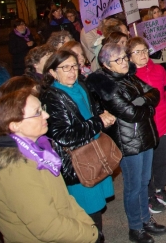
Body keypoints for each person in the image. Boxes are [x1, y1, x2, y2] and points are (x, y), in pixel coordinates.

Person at [0, 77, 100, 243]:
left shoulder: (38, 151)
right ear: (14, 125)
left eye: (43, 108)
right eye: (37, 113)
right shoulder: (15, 170)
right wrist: (90, 235)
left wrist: (88, 227)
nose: (46, 115)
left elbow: (64, 200)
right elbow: (48, 227)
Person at [86, 43, 165, 243]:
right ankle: (135, 227)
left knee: (145, 180)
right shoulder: (107, 85)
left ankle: (146, 220)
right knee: (133, 186)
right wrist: (145, 105)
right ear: (106, 64)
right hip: (128, 142)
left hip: (144, 136)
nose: (124, 62)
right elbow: (130, 113)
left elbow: (154, 93)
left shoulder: (128, 76)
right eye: (118, 60)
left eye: (124, 57)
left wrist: (142, 101)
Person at [41, 50, 116, 242]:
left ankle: (97, 236)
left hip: (94, 151)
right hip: (78, 161)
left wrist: (103, 114)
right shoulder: (53, 96)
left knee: (96, 209)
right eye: (65, 68)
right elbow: (64, 135)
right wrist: (99, 122)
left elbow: (91, 111)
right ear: (52, 73)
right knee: (87, 211)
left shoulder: (80, 86)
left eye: (74, 66)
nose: (71, 71)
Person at [127, 37, 166, 215]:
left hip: (161, 124)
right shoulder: (128, 77)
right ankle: (148, 195)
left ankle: (160, 189)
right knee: (145, 164)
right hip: (143, 128)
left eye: (145, 50)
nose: (143, 55)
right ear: (130, 56)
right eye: (137, 51)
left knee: (162, 159)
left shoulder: (159, 70)